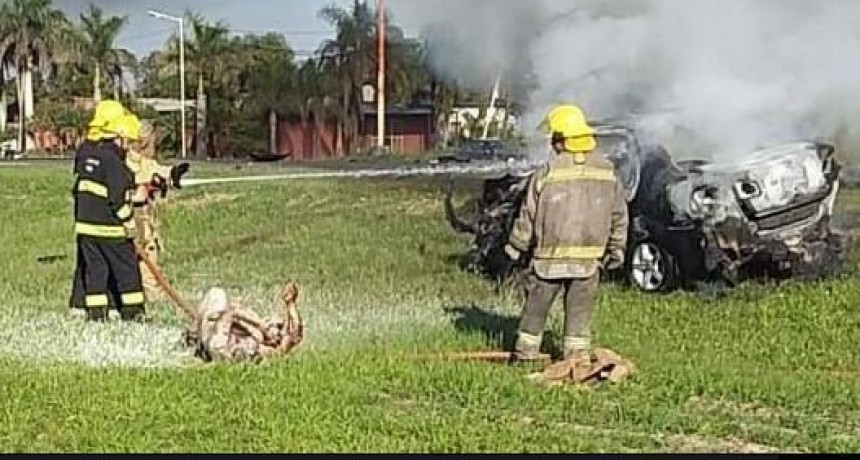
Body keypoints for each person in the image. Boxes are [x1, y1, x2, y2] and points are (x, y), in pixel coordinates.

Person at [504, 104, 629, 371]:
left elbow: (528, 214)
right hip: (588, 262)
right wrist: (617, 248)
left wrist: (515, 247)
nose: (552, 144)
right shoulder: (608, 172)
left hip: (549, 259)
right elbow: (619, 214)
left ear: (562, 140)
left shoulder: (547, 173)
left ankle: (526, 354)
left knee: (536, 309)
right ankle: (576, 359)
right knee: (579, 314)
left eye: (554, 139)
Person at [69, 102, 147, 322]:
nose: (128, 146)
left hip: (86, 228)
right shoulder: (113, 162)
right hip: (109, 228)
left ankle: (96, 313)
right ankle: (133, 312)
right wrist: (129, 221)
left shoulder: (88, 154)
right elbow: (117, 198)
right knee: (127, 269)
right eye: (127, 141)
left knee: (96, 271)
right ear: (119, 135)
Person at [125, 119, 190, 300]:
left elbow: (159, 172)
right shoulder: (125, 162)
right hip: (132, 219)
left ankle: (153, 291)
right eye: (153, 142)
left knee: (150, 253)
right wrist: (141, 189)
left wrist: (173, 174)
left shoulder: (147, 162)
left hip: (146, 220)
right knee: (139, 256)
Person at [190, 281, 304, 363]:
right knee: (218, 295)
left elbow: (294, 333)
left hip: (220, 348)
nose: (270, 325)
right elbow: (234, 311)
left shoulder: (266, 347)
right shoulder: (255, 329)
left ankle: (196, 332)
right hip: (212, 339)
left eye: (274, 328)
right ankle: (194, 334)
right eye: (270, 324)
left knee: (220, 298)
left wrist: (291, 305)